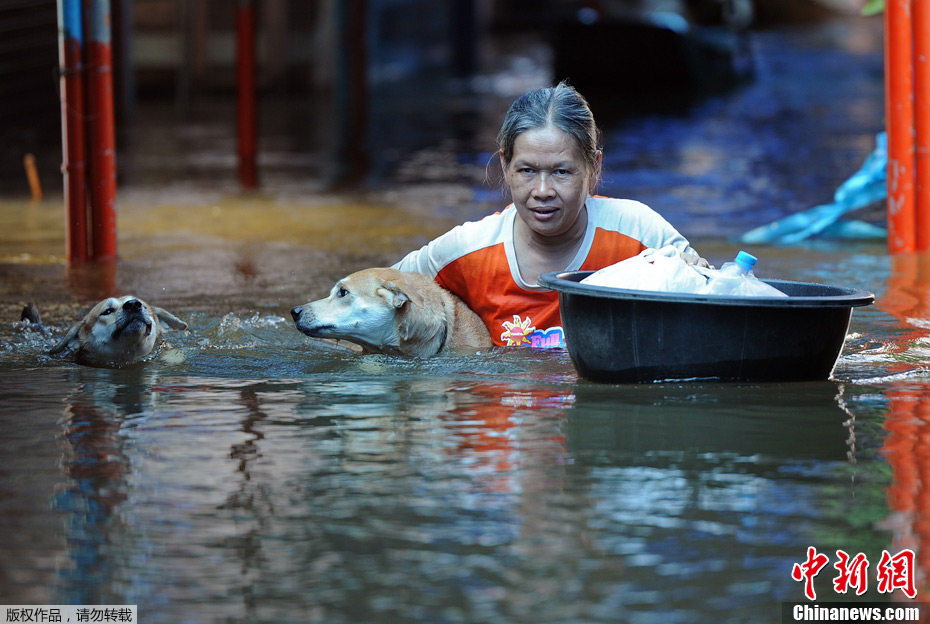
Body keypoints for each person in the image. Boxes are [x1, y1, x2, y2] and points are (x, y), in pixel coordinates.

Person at [393, 81, 704, 348]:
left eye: (561, 172)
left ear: (594, 168)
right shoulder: (467, 250)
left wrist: (693, 277)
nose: (542, 190)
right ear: (505, 166)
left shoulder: (640, 234)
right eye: (527, 170)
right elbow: (375, 298)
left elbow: (706, 316)